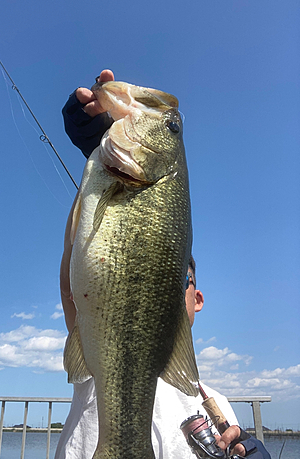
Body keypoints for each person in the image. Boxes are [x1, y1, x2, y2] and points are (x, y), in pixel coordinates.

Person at [56, 70, 271, 459]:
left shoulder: (214, 401)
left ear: (198, 298)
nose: (160, 287)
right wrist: (95, 148)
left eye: (177, 280)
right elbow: (76, 270)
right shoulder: (98, 369)